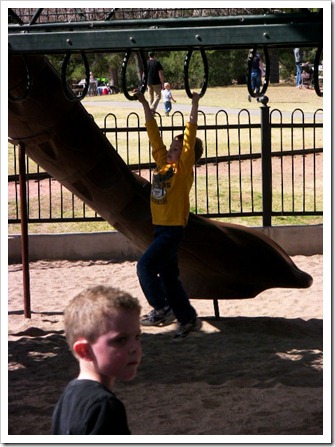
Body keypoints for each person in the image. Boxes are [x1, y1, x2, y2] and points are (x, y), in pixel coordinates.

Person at [135, 90, 203, 340]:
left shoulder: (183, 170)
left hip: (172, 230)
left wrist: (194, 104)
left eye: (176, 148)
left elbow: (189, 135)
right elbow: (154, 136)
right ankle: (187, 320)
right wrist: (145, 104)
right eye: (172, 148)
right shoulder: (163, 165)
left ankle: (162, 308)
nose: (171, 150)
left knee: (144, 266)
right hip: (160, 229)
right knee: (169, 278)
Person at [51, 285, 142, 435]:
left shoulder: (69, 395)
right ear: (85, 351)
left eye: (137, 337)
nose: (135, 348)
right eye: (121, 340)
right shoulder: (104, 406)